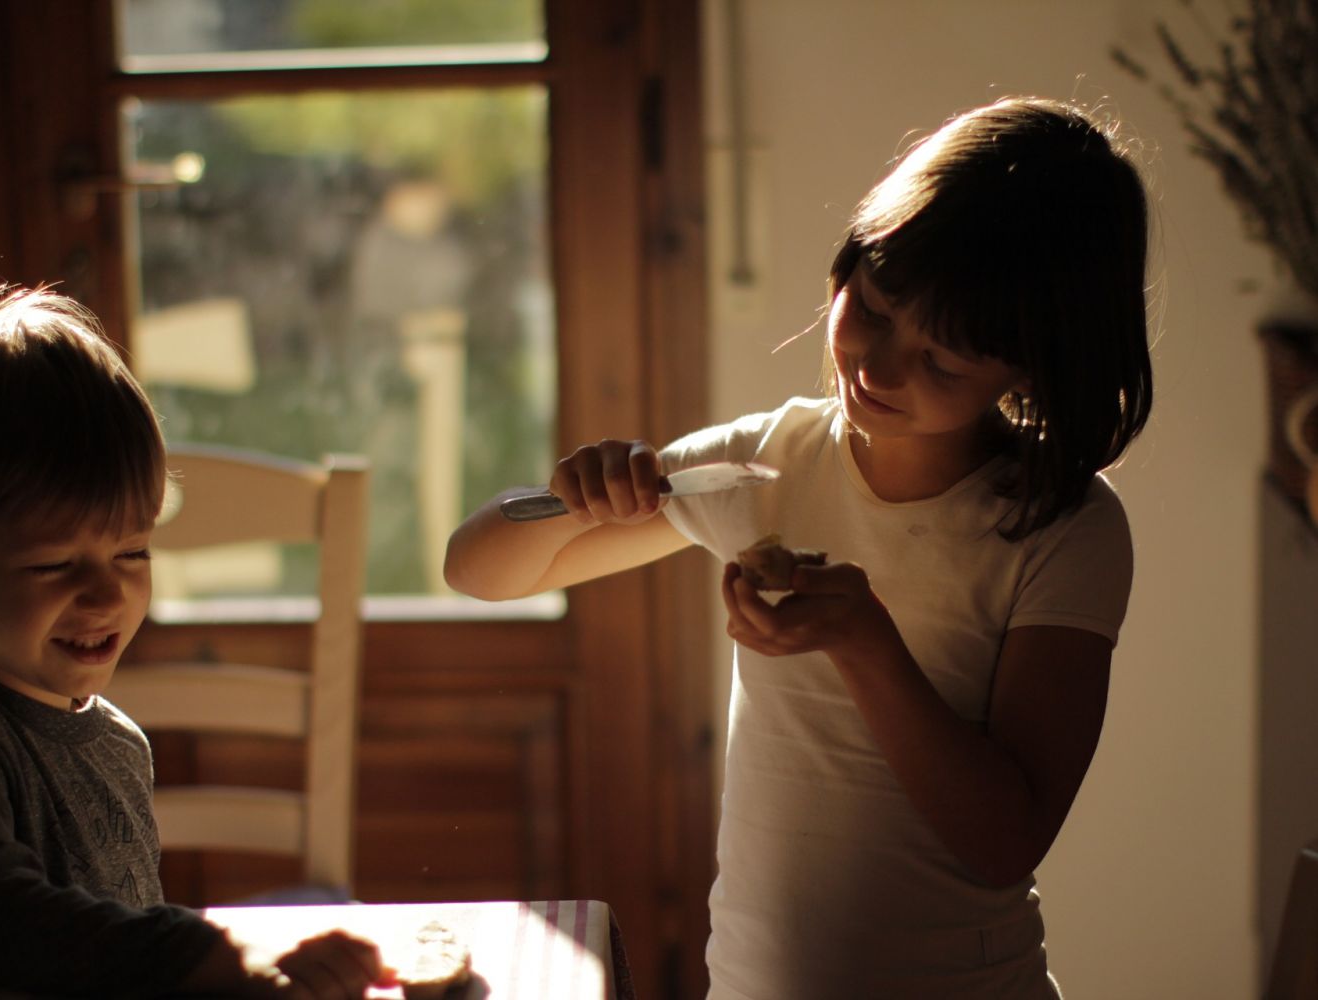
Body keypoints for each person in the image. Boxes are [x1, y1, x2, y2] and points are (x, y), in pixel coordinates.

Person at [444, 96, 1154, 999]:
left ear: (1030, 368)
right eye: (877, 307)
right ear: (849, 263)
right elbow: (475, 572)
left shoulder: (1063, 529)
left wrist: (866, 643)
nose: (880, 367)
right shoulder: (765, 464)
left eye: (943, 363)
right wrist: (575, 499)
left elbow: (1003, 842)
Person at [0, 286, 395, 998]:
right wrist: (202, 957)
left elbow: (110, 946)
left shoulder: (114, 742)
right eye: (53, 565)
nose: (107, 595)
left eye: (132, 554)